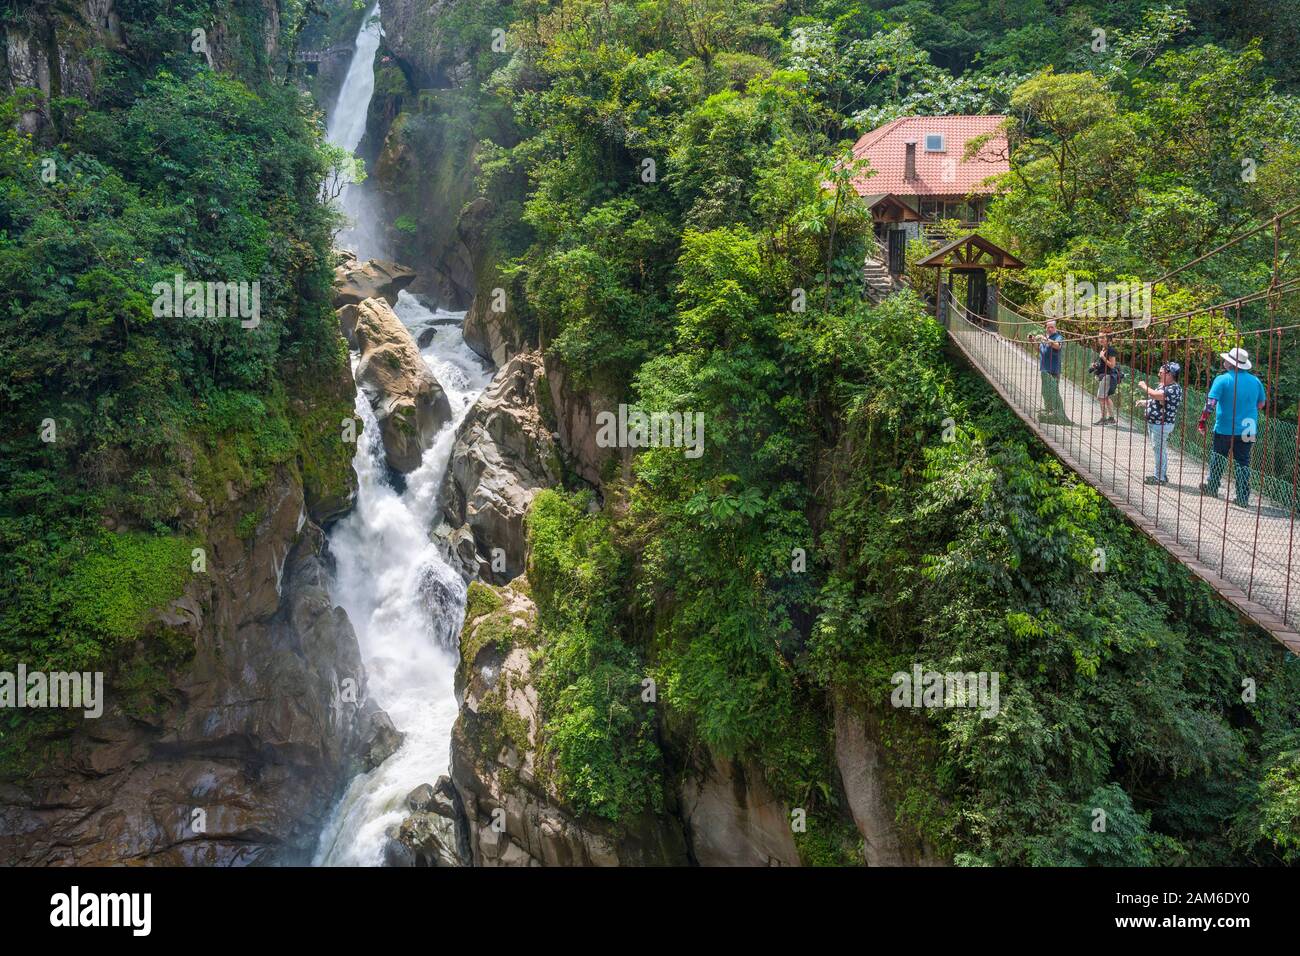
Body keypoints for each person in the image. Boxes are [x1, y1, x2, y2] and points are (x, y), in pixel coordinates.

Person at [1198, 347, 1267, 507]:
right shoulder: (1256, 381)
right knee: (1243, 461)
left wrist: (1202, 421)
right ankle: (1243, 497)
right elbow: (1261, 404)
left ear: (1231, 363)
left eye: (1227, 359)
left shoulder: (1222, 379)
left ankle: (1212, 487)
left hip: (1225, 427)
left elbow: (1211, 404)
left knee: (1218, 458)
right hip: (1248, 427)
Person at [1137, 362, 1182, 485]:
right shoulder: (1164, 386)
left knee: (1159, 450)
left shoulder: (1174, 389)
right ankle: (1160, 475)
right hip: (1155, 423)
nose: (1159, 374)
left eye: (1161, 372)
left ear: (1170, 374)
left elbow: (1156, 395)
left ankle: (1159, 477)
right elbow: (1157, 400)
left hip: (1161, 425)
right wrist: (1145, 402)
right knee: (1158, 449)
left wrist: (1144, 386)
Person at [1033, 319, 1069, 424]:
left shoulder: (1058, 337)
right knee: (1045, 391)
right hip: (1044, 368)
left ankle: (1056, 411)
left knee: (1053, 391)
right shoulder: (1046, 337)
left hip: (1053, 369)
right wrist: (1033, 342)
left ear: (1055, 328)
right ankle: (1048, 410)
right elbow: (1039, 350)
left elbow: (1057, 346)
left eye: (1051, 327)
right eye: (1048, 327)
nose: (1049, 329)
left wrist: (1045, 339)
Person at [1091, 332, 1119, 425]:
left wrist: (1102, 357)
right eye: (1099, 337)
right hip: (1104, 376)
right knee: (1105, 397)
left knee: (1101, 397)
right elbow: (1104, 365)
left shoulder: (1110, 350)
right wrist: (1096, 365)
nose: (1100, 339)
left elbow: (1112, 365)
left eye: (1103, 337)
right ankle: (1111, 418)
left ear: (1108, 339)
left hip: (1108, 376)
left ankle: (1104, 419)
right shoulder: (1103, 349)